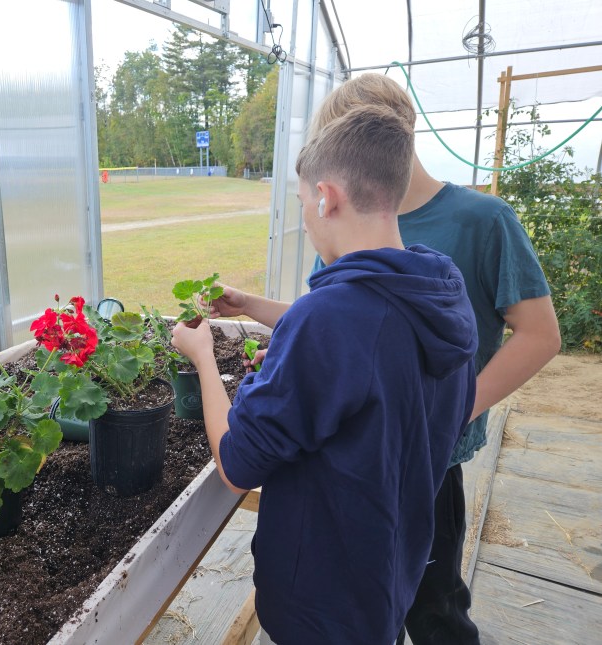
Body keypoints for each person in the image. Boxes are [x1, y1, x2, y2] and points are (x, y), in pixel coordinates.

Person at [171, 104, 479, 644]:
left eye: (302, 204)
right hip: (389, 569)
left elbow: (238, 465)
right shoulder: (438, 287)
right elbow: (372, 337)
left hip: (320, 601)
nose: (306, 219)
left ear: (326, 196)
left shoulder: (332, 317)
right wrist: (253, 305)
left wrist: (201, 356)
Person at [298, 74, 561, 645]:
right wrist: (255, 308)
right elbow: (328, 321)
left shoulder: (481, 220)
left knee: (434, 608)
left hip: (430, 465)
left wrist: (458, 407)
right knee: (364, 605)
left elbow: (539, 334)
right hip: (354, 457)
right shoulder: (343, 221)